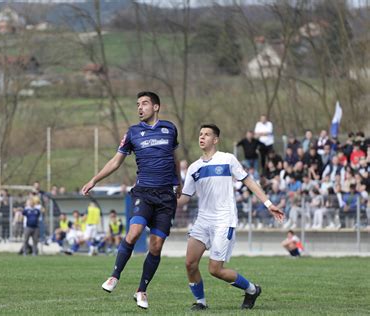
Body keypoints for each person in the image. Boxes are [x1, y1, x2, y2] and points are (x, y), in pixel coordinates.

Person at [81, 91, 181, 309]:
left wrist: (179, 183)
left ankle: (141, 291)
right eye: (138, 104)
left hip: (166, 198)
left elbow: (174, 158)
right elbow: (116, 162)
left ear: (156, 107)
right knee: (134, 232)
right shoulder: (133, 132)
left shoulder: (170, 129)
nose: (140, 108)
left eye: (144, 103)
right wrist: (94, 179)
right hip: (144, 192)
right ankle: (114, 276)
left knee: (156, 246)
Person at [177, 124, 284, 311]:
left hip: (223, 220)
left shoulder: (227, 159)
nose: (202, 137)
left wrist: (268, 204)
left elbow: (248, 181)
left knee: (215, 270)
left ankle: (252, 290)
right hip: (203, 221)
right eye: (200, 134)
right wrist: (163, 202)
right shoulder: (194, 167)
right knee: (189, 263)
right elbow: (184, 199)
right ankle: (201, 303)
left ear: (215, 139)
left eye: (207, 134)